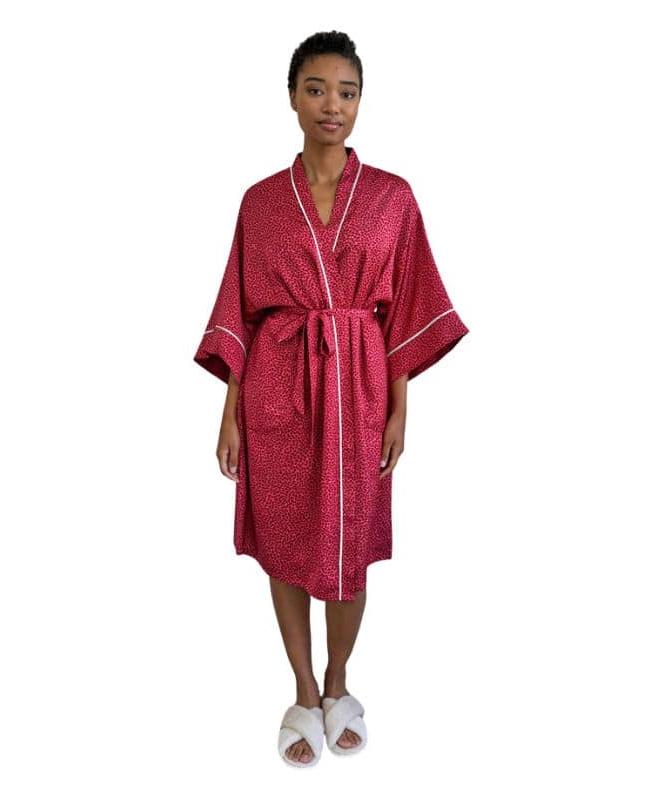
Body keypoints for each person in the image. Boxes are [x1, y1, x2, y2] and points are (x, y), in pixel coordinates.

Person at [193, 31, 469, 766]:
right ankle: (304, 687)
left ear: (360, 101)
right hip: (276, 386)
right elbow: (241, 309)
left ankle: (341, 680)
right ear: (292, 97)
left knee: (352, 537)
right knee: (285, 538)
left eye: (347, 92)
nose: (332, 105)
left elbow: (406, 304)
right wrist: (230, 414)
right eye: (316, 89)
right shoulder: (260, 202)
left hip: (361, 387)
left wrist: (401, 406)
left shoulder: (392, 197)